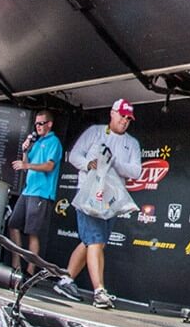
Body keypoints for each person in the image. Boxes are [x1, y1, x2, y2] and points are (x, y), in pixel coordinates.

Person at [53, 98, 141, 309]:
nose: (125, 121)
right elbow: (74, 156)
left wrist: (114, 162)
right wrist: (88, 164)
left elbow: (136, 172)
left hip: (112, 199)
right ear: (112, 113)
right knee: (94, 241)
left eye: (129, 118)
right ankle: (99, 291)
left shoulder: (132, 143)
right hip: (90, 195)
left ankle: (65, 280)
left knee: (93, 242)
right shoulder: (95, 132)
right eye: (122, 116)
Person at [6, 109, 62, 275]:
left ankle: (30, 271)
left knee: (32, 232)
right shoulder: (36, 143)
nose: (37, 126)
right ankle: (17, 266)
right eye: (36, 124)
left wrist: (27, 165)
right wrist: (25, 151)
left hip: (41, 193)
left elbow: (49, 166)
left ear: (49, 124)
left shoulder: (54, 142)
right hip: (28, 191)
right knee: (13, 224)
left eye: (41, 123)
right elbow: (25, 165)